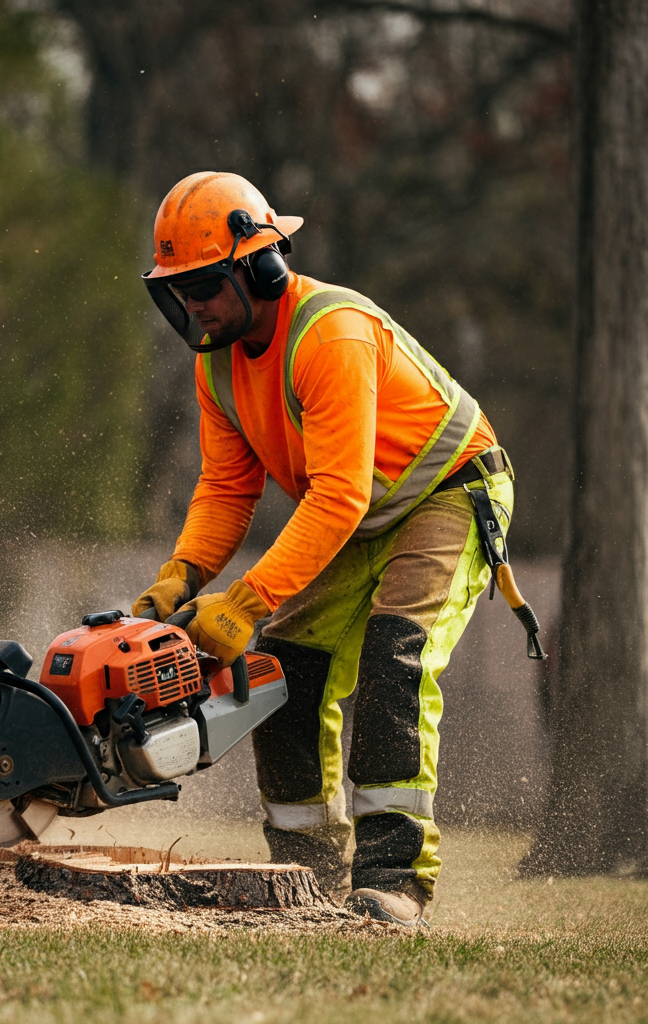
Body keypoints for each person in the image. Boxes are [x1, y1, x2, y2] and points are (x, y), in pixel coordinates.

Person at [132, 171, 514, 928]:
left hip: (447, 494)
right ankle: (303, 877)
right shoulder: (218, 364)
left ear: (260, 265)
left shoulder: (330, 332)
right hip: (363, 517)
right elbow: (225, 491)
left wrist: (243, 599)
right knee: (279, 669)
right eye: (180, 288)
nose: (195, 304)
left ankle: (391, 882)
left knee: (392, 658)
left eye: (205, 282)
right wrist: (181, 577)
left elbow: (337, 493)